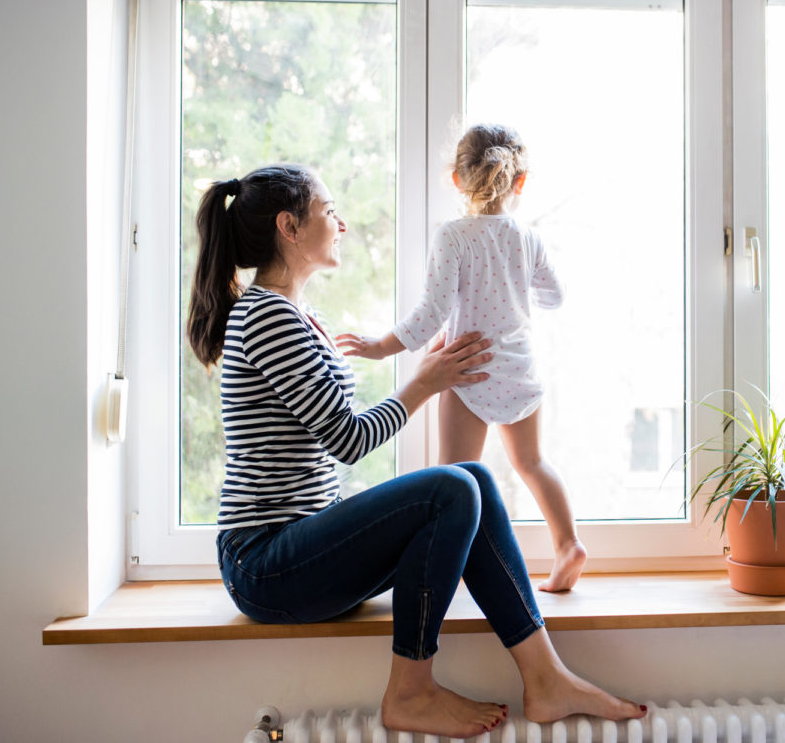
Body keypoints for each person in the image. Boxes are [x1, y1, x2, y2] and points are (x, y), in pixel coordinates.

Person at [186, 163, 645, 737]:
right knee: (451, 486)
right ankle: (410, 690)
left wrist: (425, 373)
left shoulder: (298, 315)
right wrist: (424, 382)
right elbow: (348, 439)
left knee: (472, 478)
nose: (342, 223)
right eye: (329, 211)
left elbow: (329, 426)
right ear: (290, 227)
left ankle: (545, 677)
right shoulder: (268, 317)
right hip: (264, 563)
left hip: (299, 546)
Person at [342, 124, 587, 592]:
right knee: (533, 463)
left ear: (456, 178)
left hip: (466, 370)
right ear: (520, 182)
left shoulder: (452, 237)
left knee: (451, 481)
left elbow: (430, 314)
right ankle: (567, 544)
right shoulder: (526, 237)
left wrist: (378, 347)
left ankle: (447, 571)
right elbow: (554, 296)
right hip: (519, 369)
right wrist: (516, 285)